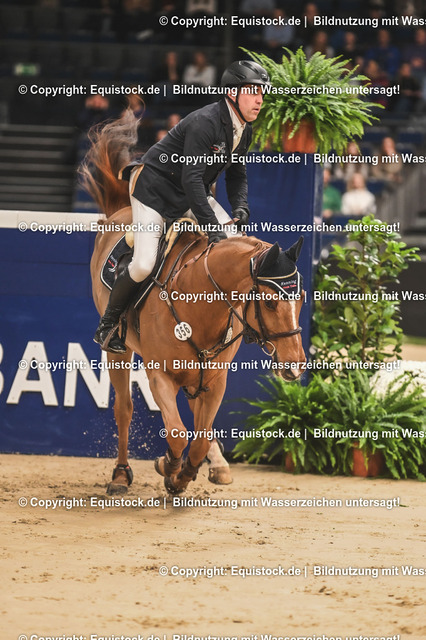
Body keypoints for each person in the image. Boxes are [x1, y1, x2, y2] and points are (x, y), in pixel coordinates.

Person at [94, 60, 270, 353]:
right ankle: (108, 325)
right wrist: (212, 228)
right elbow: (192, 179)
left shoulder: (244, 128)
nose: (260, 99)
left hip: (189, 193)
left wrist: (240, 209)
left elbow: (237, 175)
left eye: (262, 92)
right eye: (253, 91)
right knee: (143, 264)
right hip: (154, 192)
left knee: (239, 248)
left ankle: (250, 323)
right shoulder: (205, 123)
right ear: (232, 93)